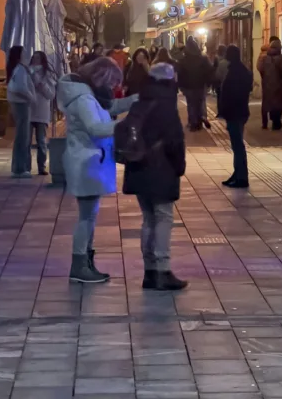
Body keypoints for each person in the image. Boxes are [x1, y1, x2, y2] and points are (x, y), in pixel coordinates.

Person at [57, 56, 137, 283]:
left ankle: (86, 262)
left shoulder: (89, 95)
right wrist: (124, 125)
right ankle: (80, 265)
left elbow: (111, 107)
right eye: (112, 82)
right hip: (86, 162)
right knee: (86, 217)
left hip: (90, 160)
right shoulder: (84, 99)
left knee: (89, 216)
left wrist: (134, 100)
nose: (113, 87)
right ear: (101, 77)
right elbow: (95, 127)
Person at [122, 62, 188, 291]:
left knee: (148, 218)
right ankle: (162, 269)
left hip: (138, 167)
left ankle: (149, 271)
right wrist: (179, 166)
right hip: (161, 169)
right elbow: (175, 141)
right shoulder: (167, 105)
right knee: (163, 217)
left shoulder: (140, 102)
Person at [217, 45, 253, 189]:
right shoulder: (240, 70)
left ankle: (241, 177)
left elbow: (233, 93)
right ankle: (237, 173)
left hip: (235, 112)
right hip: (239, 112)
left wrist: (226, 109)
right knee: (237, 145)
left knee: (238, 146)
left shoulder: (235, 72)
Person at [7, 45, 37, 178]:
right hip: (22, 104)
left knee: (21, 135)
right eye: (24, 53)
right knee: (23, 136)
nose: (27, 55)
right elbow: (20, 87)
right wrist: (31, 97)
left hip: (19, 103)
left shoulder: (18, 68)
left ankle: (19, 167)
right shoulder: (20, 69)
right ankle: (20, 168)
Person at [177, 36, 213, 131]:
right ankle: (200, 119)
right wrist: (208, 82)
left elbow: (180, 73)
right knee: (199, 103)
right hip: (200, 85)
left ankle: (193, 122)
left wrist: (180, 86)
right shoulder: (203, 58)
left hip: (188, 86)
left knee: (191, 104)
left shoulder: (183, 60)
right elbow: (209, 70)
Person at [258, 38, 282, 131]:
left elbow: (260, 69)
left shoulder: (265, 58)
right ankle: (276, 122)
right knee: (278, 103)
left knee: (268, 103)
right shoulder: (281, 58)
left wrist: (265, 78)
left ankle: (267, 122)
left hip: (267, 84)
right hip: (278, 84)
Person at [29, 50, 55, 176]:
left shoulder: (47, 74)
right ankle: (26, 167)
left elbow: (51, 94)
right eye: (34, 58)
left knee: (41, 141)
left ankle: (41, 166)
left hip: (42, 110)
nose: (35, 60)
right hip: (29, 109)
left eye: (38, 58)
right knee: (26, 141)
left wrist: (41, 84)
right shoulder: (27, 72)